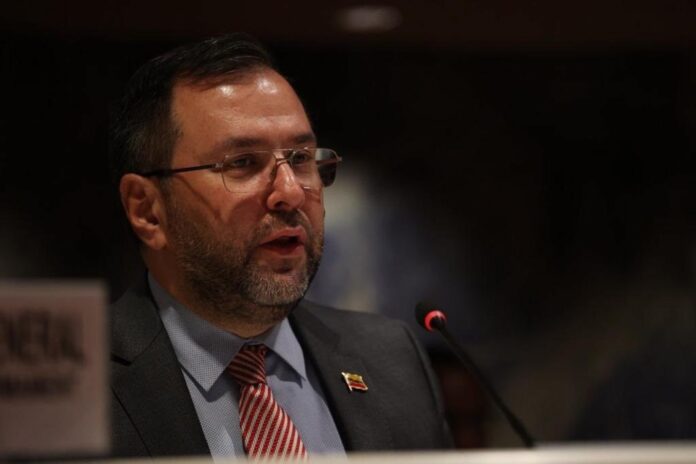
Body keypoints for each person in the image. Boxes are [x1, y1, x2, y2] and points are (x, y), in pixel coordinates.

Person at [108, 33, 452, 459]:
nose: (289, 192)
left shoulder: (391, 357)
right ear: (147, 210)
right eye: (242, 163)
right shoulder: (77, 385)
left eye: (302, 158)